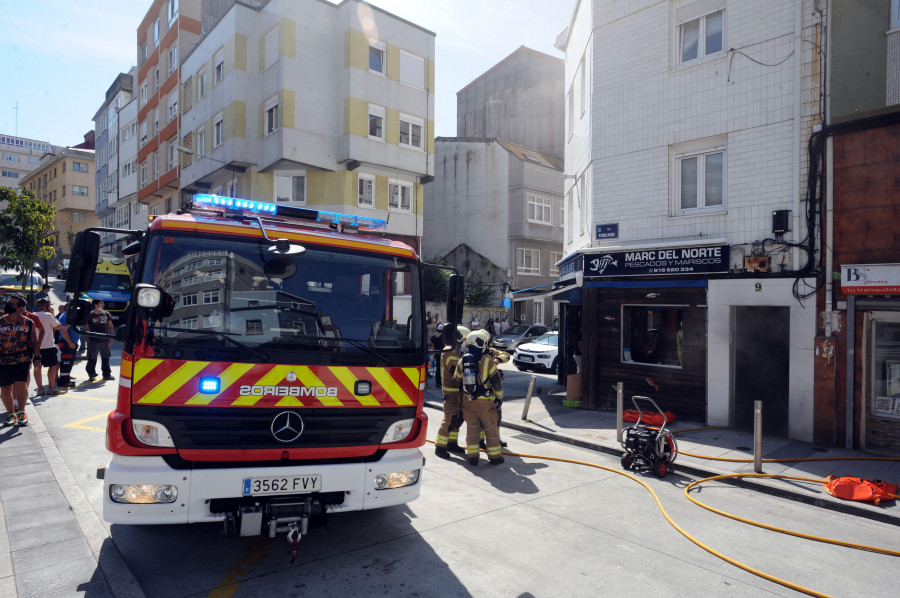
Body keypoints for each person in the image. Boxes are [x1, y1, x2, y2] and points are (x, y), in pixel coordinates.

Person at [455, 329, 506, 466]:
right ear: (482, 343)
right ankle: (495, 457)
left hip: (468, 401)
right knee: (491, 428)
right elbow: (497, 383)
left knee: (472, 429)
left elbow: (456, 379)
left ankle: (473, 457)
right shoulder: (488, 361)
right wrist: (499, 398)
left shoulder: (462, 360)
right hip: (486, 402)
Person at [0, 294, 40, 425]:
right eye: (8, 303)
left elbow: (34, 341)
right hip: (3, 360)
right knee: (5, 388)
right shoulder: (1, 321)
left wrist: (37, 358)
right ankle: (11, 414)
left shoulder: (28, 323)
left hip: (21, 359)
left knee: (20, 385)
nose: (8, 306)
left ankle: (21, 412)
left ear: (21, 308)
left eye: (12, 304)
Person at [434, 325, 470, 459]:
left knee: (459, 418)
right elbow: (456, 370)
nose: (463, 343)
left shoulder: (456, 351)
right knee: (450, 418)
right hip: (451, 392)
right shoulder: (449, 352)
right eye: (463, 340)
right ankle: (440, 446)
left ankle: (452, 443)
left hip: (459, 391)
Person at [32, 298, 61, 395]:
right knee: (53, 366)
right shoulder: (48, 315)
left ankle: (40, 389)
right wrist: (52, 314)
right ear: (47, 307)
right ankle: (51, 388)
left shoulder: (33, 315)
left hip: (35, 346)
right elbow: (58, 326)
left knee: (37, 367)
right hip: (48, 345)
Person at [85, 299, 115, 381]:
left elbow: (111, 326)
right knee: (92, 358)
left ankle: (107, 374)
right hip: (93, 341)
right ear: (96, 305)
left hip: (105, 341)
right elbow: (86, 328)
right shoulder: (90, 315)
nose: (103, 304)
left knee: (106, 358)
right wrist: (87, 339)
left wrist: (111, 338)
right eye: (101, 303)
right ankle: (91, 374)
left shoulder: (106, 314)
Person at [57, 305, 79, 389]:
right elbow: (63, 331)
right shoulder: (65, 317)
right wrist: (70, 342)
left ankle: (66, 379)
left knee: (69, 362)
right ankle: (63, 381)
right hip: (67, 343)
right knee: (66, 362)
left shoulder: (68, 317)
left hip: (70, 343)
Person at [429, 323, 445, 387]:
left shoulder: (433, 337)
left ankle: (438, 383)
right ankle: (441, 382)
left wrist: (432, 355)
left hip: (437, 354)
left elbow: (432, 347)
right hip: (444, 354)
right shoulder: (444, 337)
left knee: (438, 368)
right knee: (443, 369)